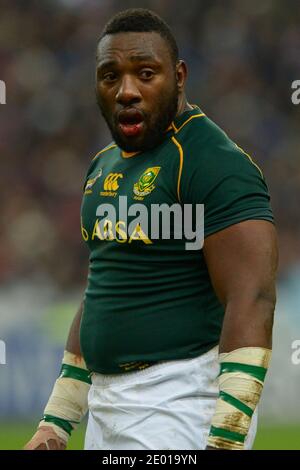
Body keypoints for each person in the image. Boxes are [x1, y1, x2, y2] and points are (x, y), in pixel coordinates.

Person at [24, 8, 278, 451]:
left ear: (179, 75)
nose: (126, 91)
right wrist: (56, 421)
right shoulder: (103, 166)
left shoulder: (212, 161)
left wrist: (226, 437)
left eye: (145, 73)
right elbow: (104, 289)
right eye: (110, 76)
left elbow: (252, 296)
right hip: (106, 408)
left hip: (180, 405)